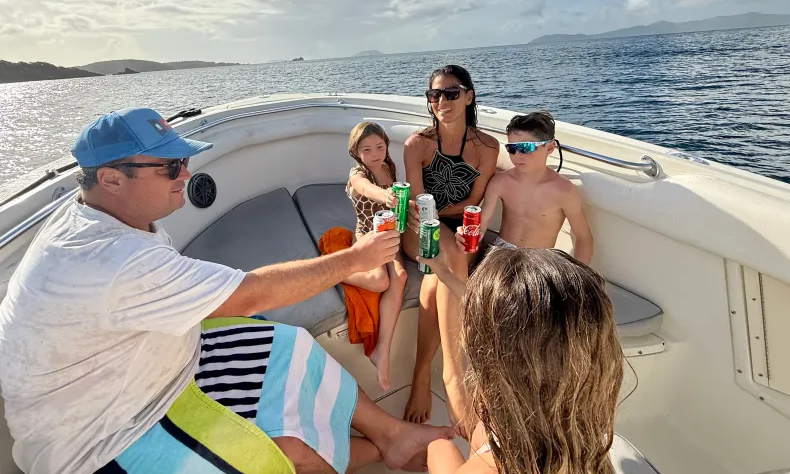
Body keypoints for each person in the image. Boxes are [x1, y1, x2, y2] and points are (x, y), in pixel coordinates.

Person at [0, 108, 453, 474]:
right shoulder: (107, 259)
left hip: (152, 363)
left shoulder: (109, 215)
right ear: (112, 179)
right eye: (170, 166)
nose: (186, 172)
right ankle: (379, 452)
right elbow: (251, 294)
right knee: (273, 450)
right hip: (104, 432)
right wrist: (355, 259)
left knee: (290, 344)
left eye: (184, 159)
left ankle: (392, 435)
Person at [423, 248, 625, 474]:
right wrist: (443, 272)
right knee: (480, 434)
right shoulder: (587, 440)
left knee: (443, 448)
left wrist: (437, 448)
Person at [402, 66, 499, 435]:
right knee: (453, 257)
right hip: (419, 228)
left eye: (451, 93)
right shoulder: (417, 144)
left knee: (435, 280)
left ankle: (420, 374)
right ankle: (453, 374)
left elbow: (474, 203)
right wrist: (443, 223)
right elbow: (416, 205)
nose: (441, 101)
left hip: (458, 229)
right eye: (434, 95)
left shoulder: (488, 148)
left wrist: (452, 224)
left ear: (469, 97)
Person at [457, 110, 593, 264]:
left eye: (525, 148)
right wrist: (466, 235)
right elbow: (481, 225)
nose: (517, 155)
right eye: (512, 149)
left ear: (549, 147)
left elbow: (584, 237)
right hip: (501, 252)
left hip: (539, 260)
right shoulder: (500, 181)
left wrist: (580, 276)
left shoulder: (564, 191)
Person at [345, 122, 408, 391]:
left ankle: (382, 350)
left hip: (390, 235)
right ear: (357, 152)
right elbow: (364, 189)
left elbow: (398, 198)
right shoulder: (357, 174)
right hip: (367, 238)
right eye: (367, 149)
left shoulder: (389, 167)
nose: (375, 154)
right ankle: (335, 271)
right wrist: (384, 194)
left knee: (401, 276)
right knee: (381, 282)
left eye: (380, 147)